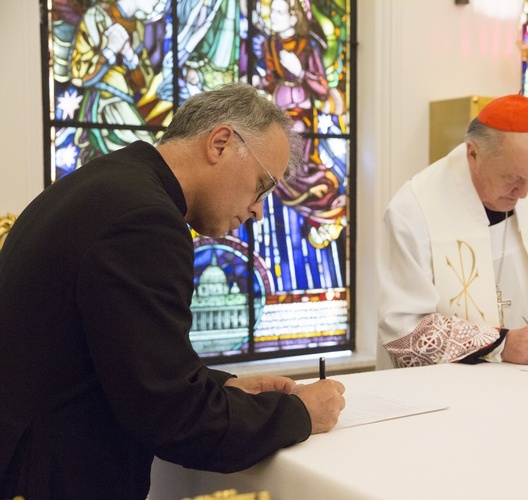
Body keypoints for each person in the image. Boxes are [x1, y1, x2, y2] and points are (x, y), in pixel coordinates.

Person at [0, 83, 345, 499]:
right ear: (220, 143)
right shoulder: (145, 221)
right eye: (261, 184)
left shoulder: (110, 182)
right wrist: (300, 413)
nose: (257, 210)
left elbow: (122, 362)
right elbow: (172, 417)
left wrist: (222, 388)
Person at [378, 94, 528, 368]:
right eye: (513, 179)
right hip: (447, 393)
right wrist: (499, 343)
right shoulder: (414, 209)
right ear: (473, 153)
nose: (524, 193)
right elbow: (405, 331)